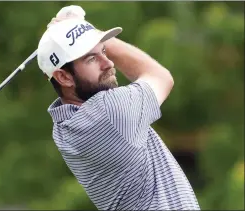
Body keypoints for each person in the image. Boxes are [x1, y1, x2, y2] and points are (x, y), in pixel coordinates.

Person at [37, 6, 200, 210]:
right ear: (63, 76)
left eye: (103, 50)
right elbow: (161, 77)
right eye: (91, 58)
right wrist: (90, 31)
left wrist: (81, 34)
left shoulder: (62, 128)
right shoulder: (109, 112)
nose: (108, 62)